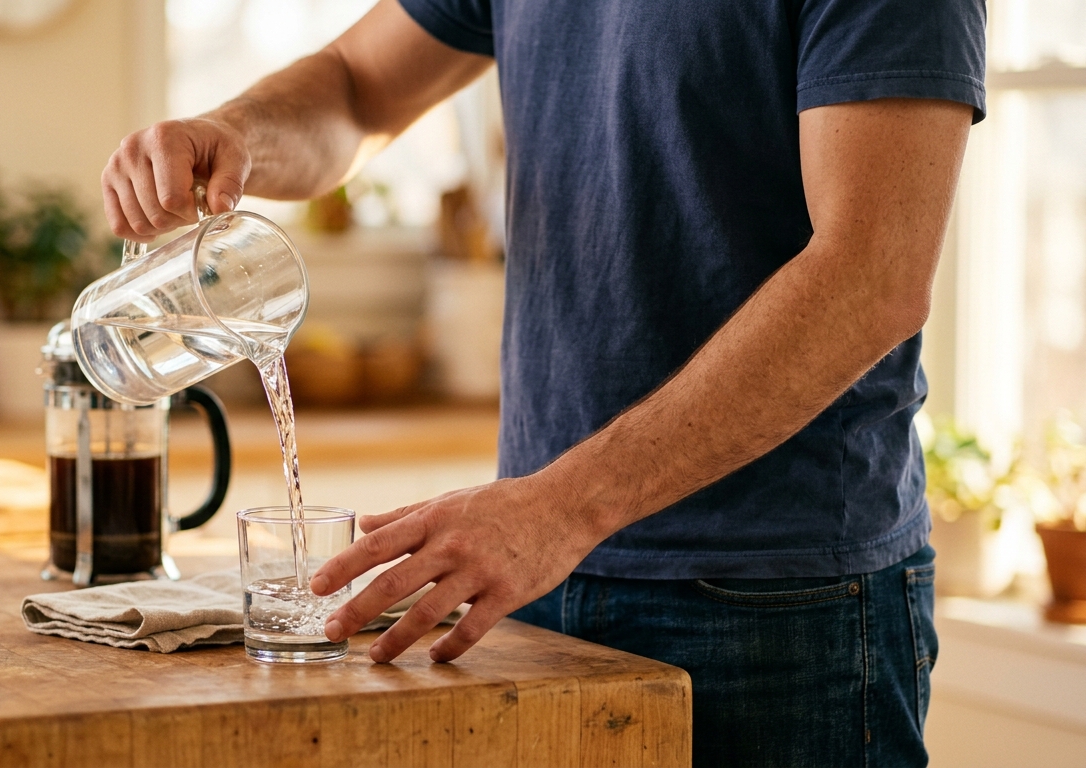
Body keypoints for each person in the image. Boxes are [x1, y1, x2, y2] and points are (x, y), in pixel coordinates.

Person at [101, 1, 985, 764]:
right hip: (532, 585)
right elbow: (358, 87)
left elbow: (871, 278)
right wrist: (238, 134)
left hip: (777, 605)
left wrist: (561, 508)